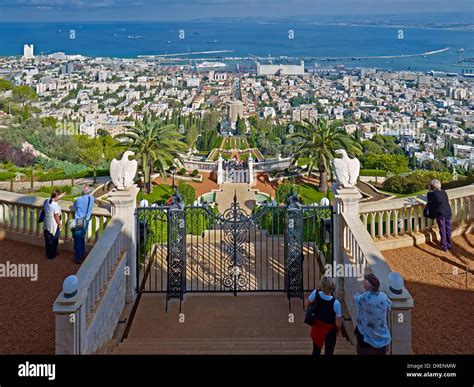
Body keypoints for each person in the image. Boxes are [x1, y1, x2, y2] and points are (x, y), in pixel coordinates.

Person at [354, 273, 392, 355]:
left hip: (367, 338)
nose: (363, 284)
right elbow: (389, 306)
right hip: (382, 337)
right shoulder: (384, 297)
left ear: (368, 286)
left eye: (364, 283)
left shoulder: (364, 298)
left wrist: (364, 292)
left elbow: (355, 298)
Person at [305, 276, 342, 356]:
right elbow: (338, 323)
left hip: (317, 327)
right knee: (329, 352)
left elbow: (306, 303)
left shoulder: (315, 293)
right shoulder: (336, 303)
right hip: (330, 330)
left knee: (316, 350)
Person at [426, 179, 452, 252]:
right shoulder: (444, 192)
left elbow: (430, 202)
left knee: (442, 229)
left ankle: (444, 246)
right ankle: (449, 244)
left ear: (433, 186)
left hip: (440, 213)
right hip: (448, 211)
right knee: (448, 229)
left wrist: (429, 190)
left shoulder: (431, 194)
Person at [72, 185, 95, 264]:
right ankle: (82, 253)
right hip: (86, 219)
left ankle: (77, 258)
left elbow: (75, 206)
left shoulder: (79, 200)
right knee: (82, 237)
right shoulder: (92, 198)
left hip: (79, 220)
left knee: (77, 239)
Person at [43, 190, 63, 259]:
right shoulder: (55, 205)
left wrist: (61, 195)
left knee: (48, 240)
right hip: (53, 225)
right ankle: (52, 255)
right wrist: (60, 224)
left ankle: (49, 254)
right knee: (54, 240)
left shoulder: (47, 201)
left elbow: (54, 198)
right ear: (56, 196)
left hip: (46, 224)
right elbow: (56, 216)